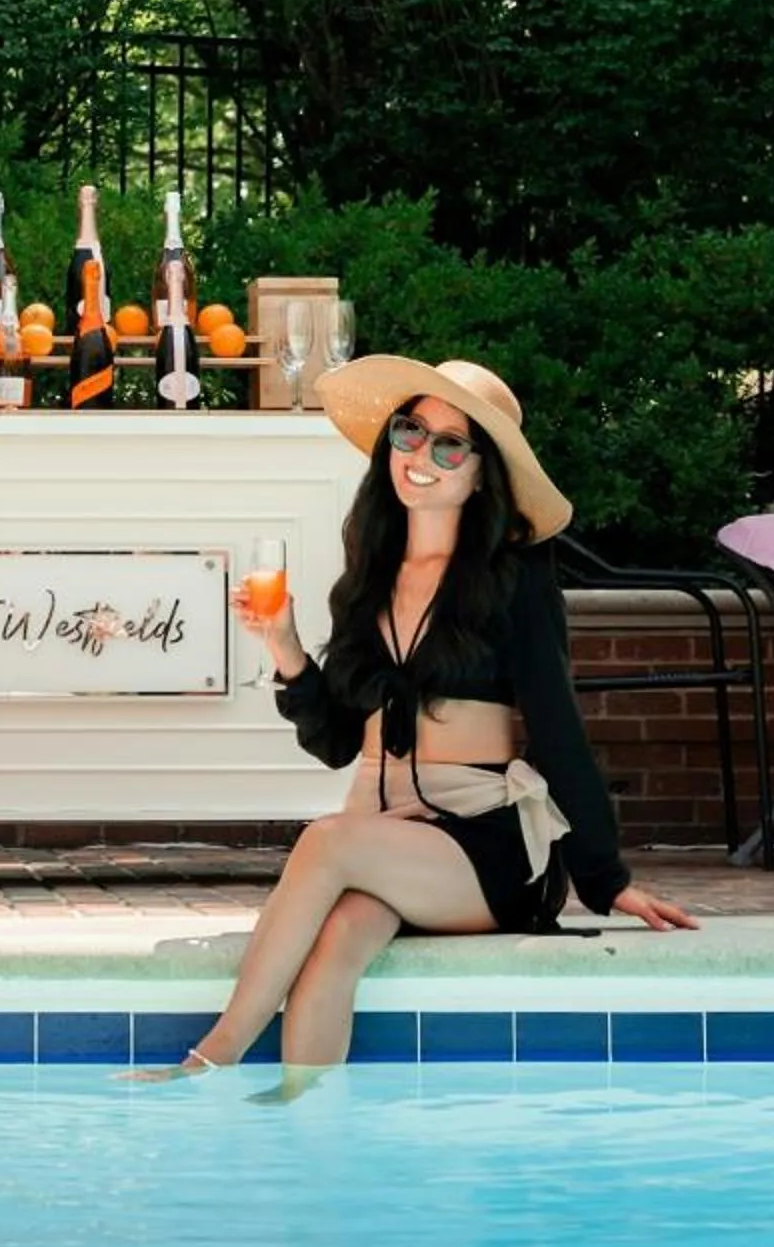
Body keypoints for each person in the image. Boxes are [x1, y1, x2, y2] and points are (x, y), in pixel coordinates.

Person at [132, 356, 698, 1091]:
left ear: (480, 473)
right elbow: (337, 741)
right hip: (392, 838)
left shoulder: (516, 578)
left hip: (487, 849)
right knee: (338, 938)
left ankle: (213, 1057)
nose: (422, 457)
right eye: (411, 432)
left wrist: (604, 877)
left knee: (326, 841)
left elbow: (558, 727)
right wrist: (287, 651)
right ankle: (299, 1116)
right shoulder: (364, 583)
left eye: (449, 445)